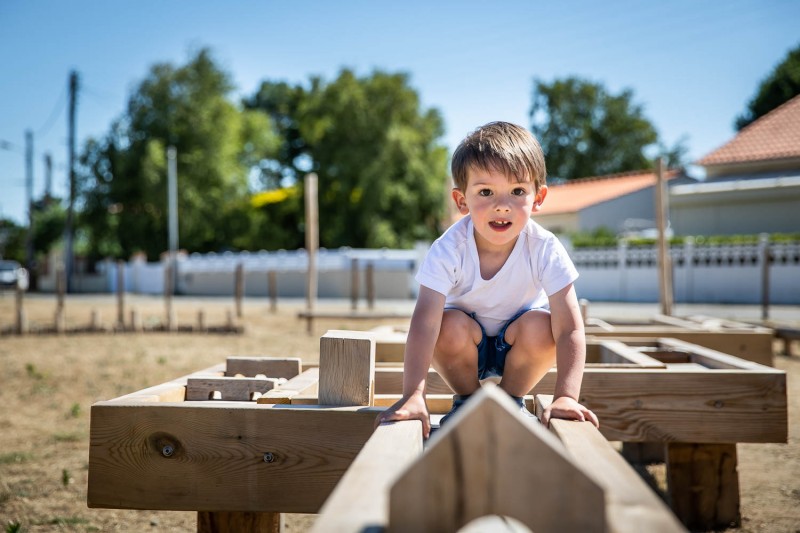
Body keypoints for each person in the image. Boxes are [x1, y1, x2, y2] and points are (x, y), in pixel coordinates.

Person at [375, 121, 598, 439]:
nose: (502, 205)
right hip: (463, 349)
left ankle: (509, 401)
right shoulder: (449, 248)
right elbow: (424, 323)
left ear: (538, 197)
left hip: (519, 351)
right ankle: (468, 401)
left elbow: (570, 327)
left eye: (518, 191)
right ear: (461, 201)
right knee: (446, 324)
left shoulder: (545, 247)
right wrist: (413, 394)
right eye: (486, 192)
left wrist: (566, 395)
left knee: (543, 325)